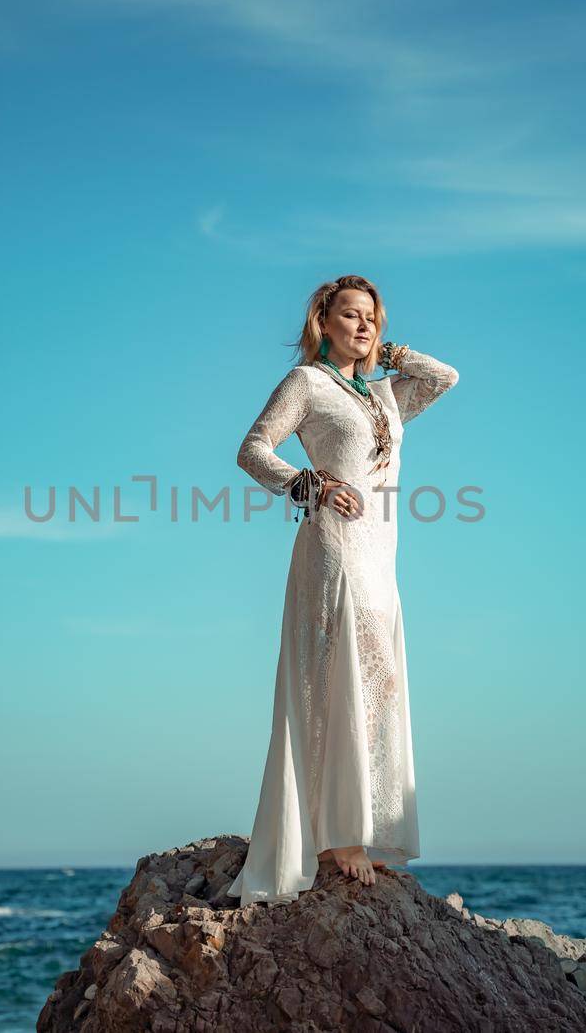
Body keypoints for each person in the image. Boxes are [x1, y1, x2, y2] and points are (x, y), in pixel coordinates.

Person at [226, 274, 459, 905]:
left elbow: (445, 378)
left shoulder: (385, 394)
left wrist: (392, 354)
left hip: (382, 555)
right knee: (337, 674)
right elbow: (252, 450)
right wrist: (310, 485)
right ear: (321, 321)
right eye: (351, 316)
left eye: (373, 319)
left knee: (379, 678)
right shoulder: (306, 384)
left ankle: (368, 829)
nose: (363, 327)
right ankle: (337, 839)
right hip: (332, 545)